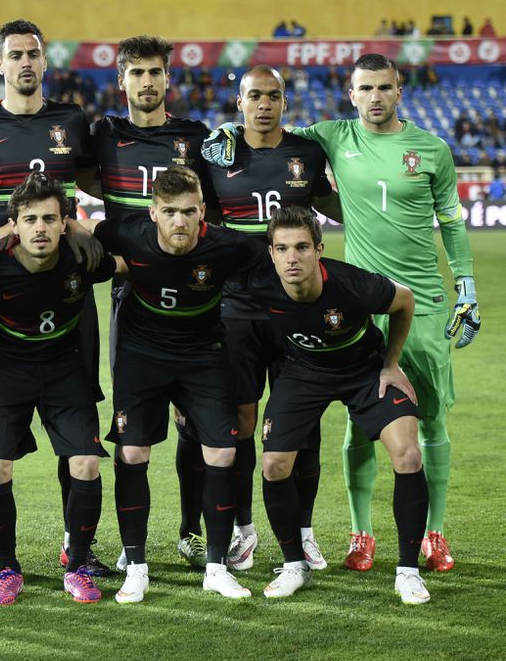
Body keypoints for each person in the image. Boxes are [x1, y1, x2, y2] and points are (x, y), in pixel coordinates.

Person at [203, 53, 479, 572]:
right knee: (343, 418)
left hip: (412, 298)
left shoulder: (428, 149)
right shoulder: (328, 136)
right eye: (365, 88)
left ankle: (432, 533)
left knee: (428, 417)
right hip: (319, 303)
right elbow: (262, 132)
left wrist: (465, 283)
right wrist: (224, 129)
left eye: (384, 87)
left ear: (399, 91)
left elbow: (453, 224)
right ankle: (355, 535)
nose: (375, 96)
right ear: (351, 94)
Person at [0, 18, 108, 580]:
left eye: (33, 54)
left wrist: (79, 224)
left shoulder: (71, 121)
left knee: (79, 420)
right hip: (3, 287)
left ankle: (78, 545)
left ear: (45, 62)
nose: (24, 63)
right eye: (14, 54)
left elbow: (91, 182)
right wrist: (1, 226)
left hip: (67, 288)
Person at [85, 167, 265, 602]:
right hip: (142, 356)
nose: (179, 222)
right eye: (169, 212)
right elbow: (83, 229)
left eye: (188, 212)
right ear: (153, 213)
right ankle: (136, 566)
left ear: (203, 211)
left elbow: (278, 260)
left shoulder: (227, 245)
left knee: (223, 451)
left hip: (203, 354)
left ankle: (218, 567)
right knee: (131, 451)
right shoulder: (127, 234)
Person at [88, 34, 227, 571]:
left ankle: (192, 532)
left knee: (199, 426)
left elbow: (223, 195)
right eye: (136, 73)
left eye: (155, 72)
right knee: (133, 435)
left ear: (168, 79)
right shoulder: (103, 137)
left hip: (195, 294)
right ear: (121, 80)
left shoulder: (194, 137)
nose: (146, 82)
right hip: (132, 294)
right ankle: (132, 547)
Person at [249, 207, 430, 603]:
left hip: (364, 370)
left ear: (319, 249)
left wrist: (391, 363)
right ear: (271, 252)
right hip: (302, 371)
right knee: (274, 465)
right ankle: (295, 565)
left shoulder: (353, 286)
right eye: (281, 248)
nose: (291, 258)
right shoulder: (259, 282)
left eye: (301, 247)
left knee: (408, 455)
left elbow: (405, 300)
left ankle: (408, 572)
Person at [202, 65, 341, 574]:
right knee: (239, 423)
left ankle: (303, 534)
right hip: (236, 308)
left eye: (274, 96)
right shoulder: (217, 153)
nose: (264, 104)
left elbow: (339, 206)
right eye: (254, 95)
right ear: (239, 102)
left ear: (286, 103)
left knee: (301, 423)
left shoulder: (306, 154)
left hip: (297, 309)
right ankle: (244, 530)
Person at [0, 172, 116, 605]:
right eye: (30, 219)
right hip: (6, 371)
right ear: (15, 224)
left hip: (64, 368)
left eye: (50, 218)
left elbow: (135, 261)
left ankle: (79, 564)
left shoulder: (84, 257)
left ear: (65, 222)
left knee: (86, 463)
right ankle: (9, 567)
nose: (41, 228)